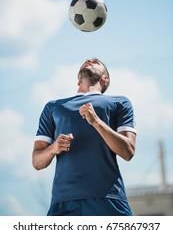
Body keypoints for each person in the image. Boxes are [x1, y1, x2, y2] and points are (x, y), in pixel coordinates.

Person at [32, 58, 136, 216]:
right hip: (63, 203)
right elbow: (37, 162)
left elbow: (128, 151)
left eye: (96, 62)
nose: (89, 60)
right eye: (87, 61)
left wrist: (96, 122)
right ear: (77, 80)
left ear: (104, 78)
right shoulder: (53, 107)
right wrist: (53, 148)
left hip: (108, 200)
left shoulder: (119, 103)